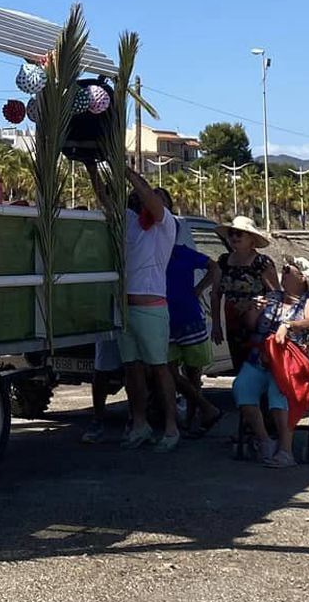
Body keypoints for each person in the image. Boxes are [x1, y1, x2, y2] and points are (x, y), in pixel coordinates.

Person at [90, 160, 182, 451]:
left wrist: (128, 171)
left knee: (159, 368)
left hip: (151, 306)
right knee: (133, 369)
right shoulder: (130, 221)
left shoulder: (166, 224)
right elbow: (104, 198)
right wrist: (93, 168)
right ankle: (139, 424)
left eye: (157, 197)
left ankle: (170, 428)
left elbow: (150, 200)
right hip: (126, 306)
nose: (149, 198)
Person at [236, 254, 309, 468]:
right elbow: (250, 325)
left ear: (301, 277)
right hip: (262, 359)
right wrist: (254, 310)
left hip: (289, 363)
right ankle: (265, 440)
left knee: (279, 393)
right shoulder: (272, 297)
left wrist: (289, 324)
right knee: (242, 387)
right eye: (282, 270)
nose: (282, 274)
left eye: (287, 270)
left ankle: (286, 451)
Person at [166, 233, 221, 434]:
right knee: (168, 371)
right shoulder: (155, 253)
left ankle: (192, 420)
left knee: (193, 373)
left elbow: (214, 266)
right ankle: (205, 408)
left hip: (189, 317)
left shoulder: (183, 252)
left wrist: (199, 289)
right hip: (165, 319)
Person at [209, 217, 279, 374]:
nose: (234, 237)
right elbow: (215, 294)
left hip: (259, 323)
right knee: (239, 364)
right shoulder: (224, 261)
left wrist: (261, 304)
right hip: (233, 322)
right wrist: (216, 325)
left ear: (251, 239)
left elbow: (276, 294)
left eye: (239, 234)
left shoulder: (261, 263)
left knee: (259, 364)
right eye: (232, 233)